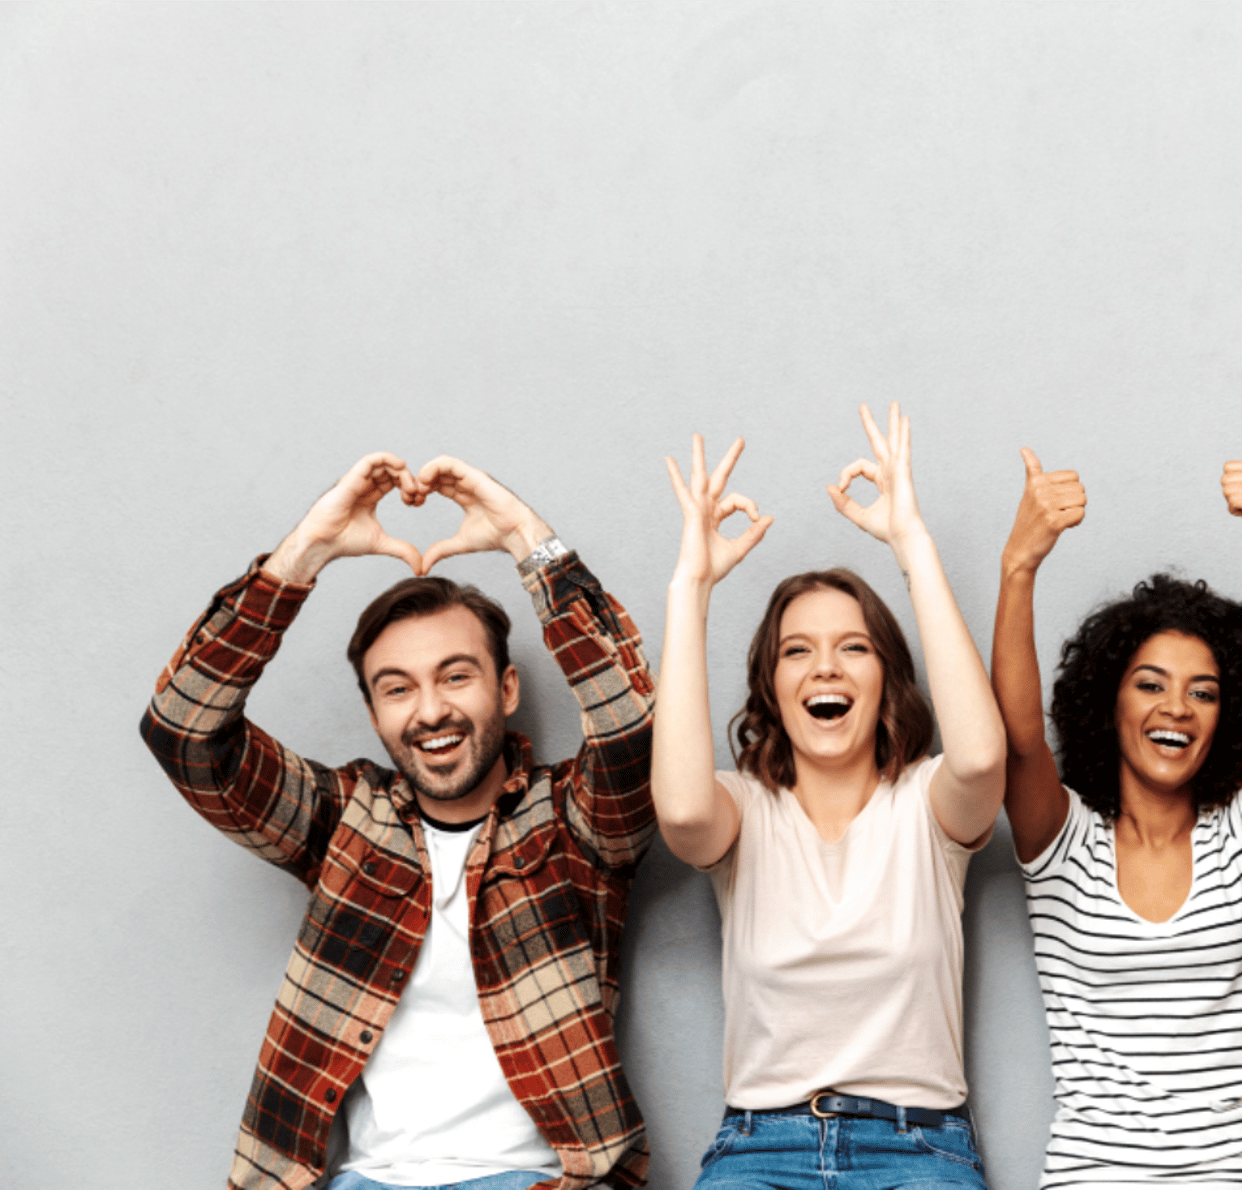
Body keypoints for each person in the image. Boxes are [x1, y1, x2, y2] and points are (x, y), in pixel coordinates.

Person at [140, 454, 656, 1190]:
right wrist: (305, 554)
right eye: (397, 689)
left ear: (506, 688)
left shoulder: (573, 824)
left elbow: (634, 730)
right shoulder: (346, 822)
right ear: (375, 713)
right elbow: (183, 730)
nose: (431, 711)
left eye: (456, 674)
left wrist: (523, 535)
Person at [652, 405, 1006, 1190]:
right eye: (797, 652)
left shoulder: (927, 807)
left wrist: (912, 543)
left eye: (855, 648)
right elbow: (678, 813)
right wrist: (691, 586)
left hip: (920, 1149)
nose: (825, 669)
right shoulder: (742, 812)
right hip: (758, 1149)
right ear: (771, 687)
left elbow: (982, 760)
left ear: (886, 681)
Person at [990, 438, 1242, 1189]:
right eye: (1151, 685)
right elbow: (1015, 745)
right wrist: (1020, 566)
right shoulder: (1064, 844)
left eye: (1203, 692)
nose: (1176, 707)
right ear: (1107, 701)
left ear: (1227, 715)